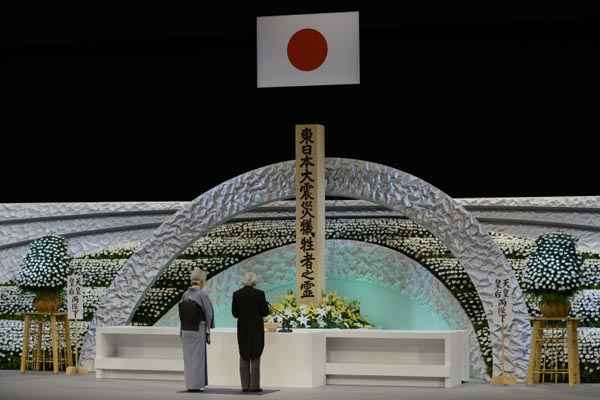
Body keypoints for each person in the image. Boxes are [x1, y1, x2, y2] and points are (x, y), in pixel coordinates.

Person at [231, 272, 270, 393]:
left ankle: (244, 386)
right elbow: (265, 312)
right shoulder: (260, 294)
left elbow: (235, 313)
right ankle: (254, 386)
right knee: (256, 354)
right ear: (254, 282)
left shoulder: (236, 294)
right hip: (256, 328)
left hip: (242, 328)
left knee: (244, 354)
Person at [179, 268, 214, 393]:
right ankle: (196, 385)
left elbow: (181, 314)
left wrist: (181, 331)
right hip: (198, 328)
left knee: (188, 358)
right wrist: (209, 330)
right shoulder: (202, 294)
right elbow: (209, 313)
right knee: (197, 357)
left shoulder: (185, 294)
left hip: (186, 329)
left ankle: (190, 384)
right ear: (201, 280)